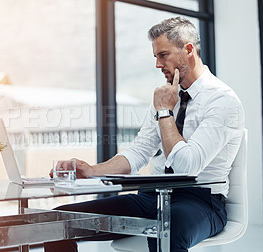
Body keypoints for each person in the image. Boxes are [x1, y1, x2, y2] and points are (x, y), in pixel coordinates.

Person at [45, 17, 245, 252]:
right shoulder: (166, 96)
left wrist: (164, 112)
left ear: (188, 50)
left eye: (163, 55)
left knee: (167, 230)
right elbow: (140, 151)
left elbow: (187, 167)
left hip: (200, 201)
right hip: (151, 196)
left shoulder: (222, 100)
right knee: (55, 222)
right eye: (155, 57)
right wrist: (92, 170)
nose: (158, 65)